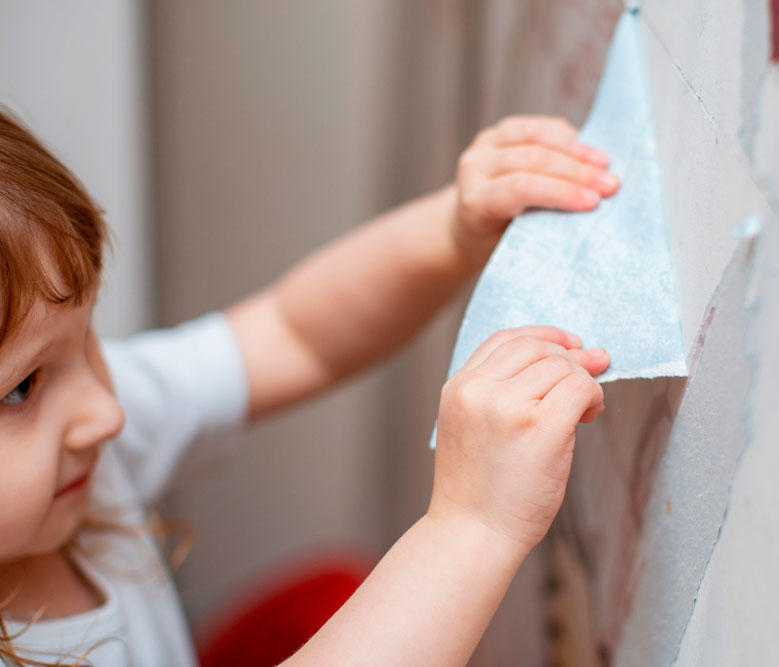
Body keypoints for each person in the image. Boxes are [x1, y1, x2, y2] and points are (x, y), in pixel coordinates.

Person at [0, 107, 617, 666]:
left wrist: (455, 227)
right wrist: (474, 526)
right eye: (21, 388)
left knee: (327, 595)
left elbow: (292, 332)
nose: (106, 413)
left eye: (86, 338)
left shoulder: (81, 444)